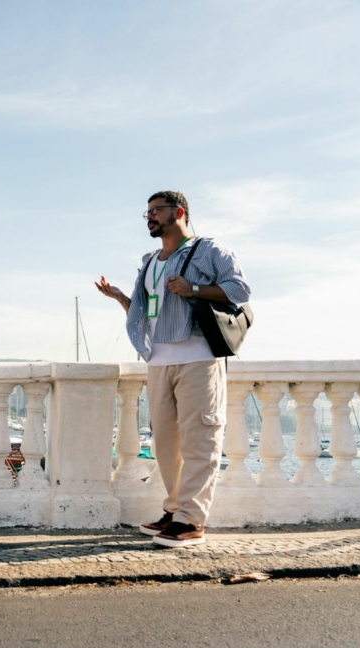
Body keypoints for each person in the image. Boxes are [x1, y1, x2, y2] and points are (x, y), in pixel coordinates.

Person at [96, 190, 250, 548]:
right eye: (146, 212)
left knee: (200, 439)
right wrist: (121, 297)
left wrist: (194, 288)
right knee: (165, 444)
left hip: (198, 356)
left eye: (156, 211)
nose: (149, 217)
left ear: (179, 212)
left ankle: (191, 520)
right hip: (159, 359)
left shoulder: (210, 250)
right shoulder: (151, 260)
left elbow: (239, 290)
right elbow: (152, 311)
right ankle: (175, 510)